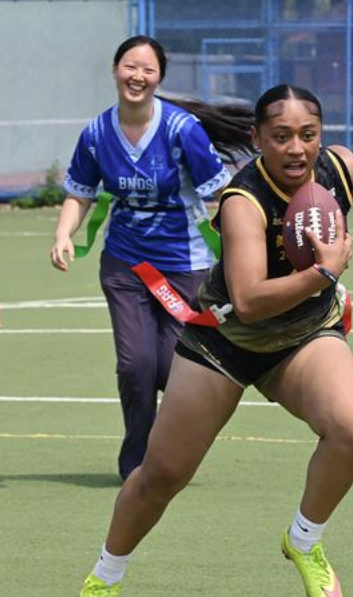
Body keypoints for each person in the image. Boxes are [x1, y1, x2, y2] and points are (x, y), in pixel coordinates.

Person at [71, 85, 353, 597]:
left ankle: (303, 540)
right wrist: (324, 272)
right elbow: (249, 300)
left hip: (305, 336)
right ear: (258, 139)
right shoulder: (243, 202)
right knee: (162, 475)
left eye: (307, 135)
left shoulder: (334, 166)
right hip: (227, 342)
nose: (296, 148)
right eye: (281, 137)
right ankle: (106, 574)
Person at [50, 36, 252, 482]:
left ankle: (172, 445)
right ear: (115, 69)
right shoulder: (97, 134)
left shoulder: (182, 130)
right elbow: (79, 194)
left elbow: (222, 192)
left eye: (148, 70)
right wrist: (65, 233)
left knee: (170, 368)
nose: (137, 76)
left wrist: (249, 238)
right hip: (125, 264)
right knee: (134, 365)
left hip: (185, 265)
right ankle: (137, 464)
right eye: (129, 66)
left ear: (159, 78)